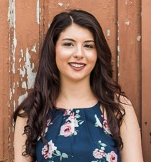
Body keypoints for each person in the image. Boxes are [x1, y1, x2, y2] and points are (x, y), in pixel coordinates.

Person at [13, 9, 144, 162]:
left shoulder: (118, 107)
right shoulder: (32, 111)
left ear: (97, 53)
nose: (79, 53)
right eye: (68, 44)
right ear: (53, 49)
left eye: (88, 46)